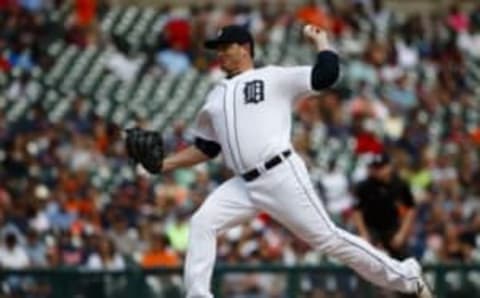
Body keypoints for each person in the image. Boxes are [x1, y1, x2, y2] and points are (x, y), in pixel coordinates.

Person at [134, 24, 433, 298]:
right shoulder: (215, 95)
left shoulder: (273, 77)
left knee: (329, 239)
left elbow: (325, 75)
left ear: (245, 48)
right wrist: (164, 165)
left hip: (280, 174)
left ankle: (407, 276)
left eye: (226, 46)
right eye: (219, 48)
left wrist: (322, 42)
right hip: (244, 185)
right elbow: (207, 148)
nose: (221, 53)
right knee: (202, 222)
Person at [353, 152, 417, 260]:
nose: (377, 171)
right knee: (366, 259)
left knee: (404, 261)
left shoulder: (399, 184)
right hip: (371, 228)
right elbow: (357, 211)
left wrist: (402, 233)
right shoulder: (365, 186)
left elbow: (411, 209)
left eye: (381, 167)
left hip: (392, 228)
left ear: (389, 167)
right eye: (375, 168)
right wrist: (364, 234)